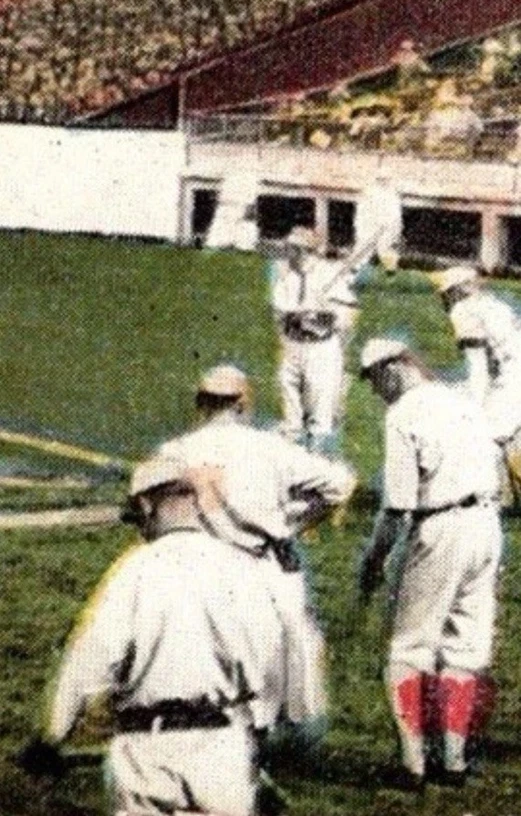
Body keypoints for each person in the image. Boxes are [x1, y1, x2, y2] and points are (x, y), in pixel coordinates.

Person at [22, 454, 287, 816]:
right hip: (224, 755)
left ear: (147, 505)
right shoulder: (244, 568)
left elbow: (85, 664)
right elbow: (272, 670)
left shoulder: (134, 571)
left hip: (147, 758)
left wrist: (49, 737)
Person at [157, 363, 357, 740]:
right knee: (275, 659)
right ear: (243, 402)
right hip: (258, 565)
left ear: (200, 404)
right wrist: (297, 520)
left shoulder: (175, 453)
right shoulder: (270, 448)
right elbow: (340, 484)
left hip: (196, 570)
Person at [358, 338, 502, 789]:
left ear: (394, 368)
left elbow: (397, 506)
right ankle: (454, 760)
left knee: (407, 649)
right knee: (464, 649)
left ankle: (413, 764)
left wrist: (373, 559)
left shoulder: (403, 414)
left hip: (439, 528)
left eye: (375, 379)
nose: (376, 390)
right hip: (487, 526)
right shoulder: (462, 399)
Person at [434, 265, 521, 502]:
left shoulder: (464, 310)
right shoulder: (497, 304)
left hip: (513, 379)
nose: (445, 298)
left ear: (461, 290)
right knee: (511, 441)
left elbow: (478, 367)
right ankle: (505, 498)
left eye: (449, 292)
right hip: (513, 374)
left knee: (485, 438)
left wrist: (476, 406)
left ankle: (488, 499)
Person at [270, 226, 360, 452]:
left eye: (293, 249)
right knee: (291, 414)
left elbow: (347, 315)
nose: (287, 253)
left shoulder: (330, 274)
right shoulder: (286, 276)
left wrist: (322, 314)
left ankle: (314, 465)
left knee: (320, 414)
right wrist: (297, 313)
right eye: (288, 248)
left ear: (305, 251)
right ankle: (291, 468)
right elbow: (279, 309)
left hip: (320, 349)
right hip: (292, 346)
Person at [206, 169, 259, 251]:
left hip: (242, 203)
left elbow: (250, 201)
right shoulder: (228, 180)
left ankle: (242, 246)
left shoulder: (249, 178)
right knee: (223, 225)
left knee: (244, 226)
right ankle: (222, 244)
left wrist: (250, 206)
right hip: (227, 204)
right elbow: (219, 197)